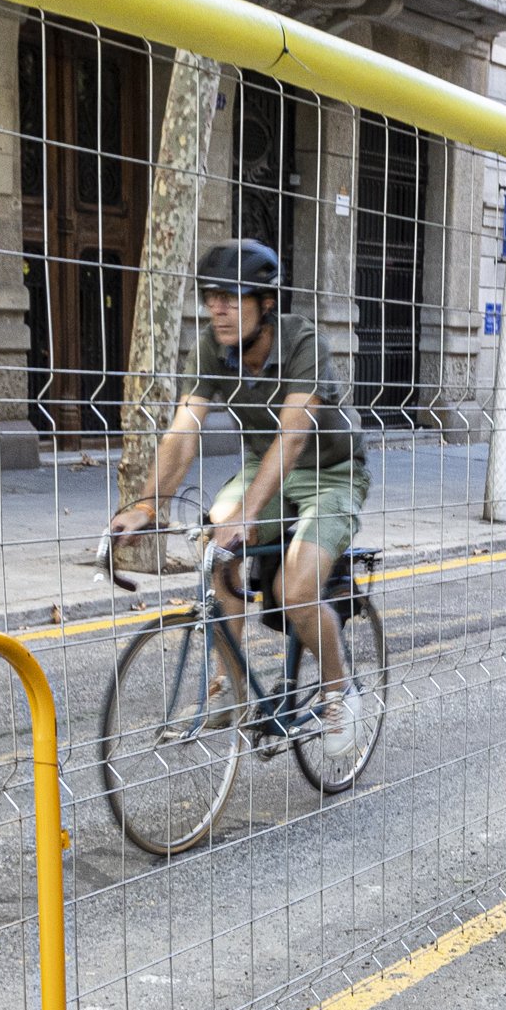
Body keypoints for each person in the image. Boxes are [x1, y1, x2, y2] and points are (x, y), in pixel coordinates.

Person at [105, 239, 372, 761]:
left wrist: (248, 513)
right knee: (217, 548)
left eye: (232, 297)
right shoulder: (211, 347)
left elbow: (293, 437)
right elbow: (185, 430)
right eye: (211, 297)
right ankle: (230, 686)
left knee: (295, 588)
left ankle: (340, 691)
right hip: (262, 470)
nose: (218, 309)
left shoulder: (302, 343)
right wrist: (146, 505)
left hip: (332, 474)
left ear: (265, 303)